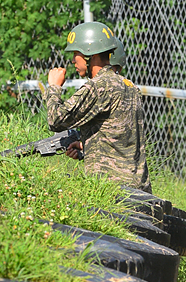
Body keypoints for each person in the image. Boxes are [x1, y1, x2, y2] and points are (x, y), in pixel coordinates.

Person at [44, 21, 151, 192]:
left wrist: (54, 88)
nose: (73, 60)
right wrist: (86, 145)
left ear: (89, 54)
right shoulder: (129, 86)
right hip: (139, 188)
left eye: (75, 54)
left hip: (112, 189)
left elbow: (56, 120)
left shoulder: (99, 86)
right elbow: (118, 135)